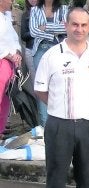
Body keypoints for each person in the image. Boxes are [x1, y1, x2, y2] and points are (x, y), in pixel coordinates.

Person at [34, 7, 89, 187]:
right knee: (56, 180)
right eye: (74, 24)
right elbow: (40, 90)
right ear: (65, 25)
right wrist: (60, 105)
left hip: (88, 125)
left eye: (83, 25)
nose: (79, 29)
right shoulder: (51, 56)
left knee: (86, 179)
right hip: (59, 126)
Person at [29, 0, 69, 126]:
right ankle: (45, 125)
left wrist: (45, 27)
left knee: (60, 85)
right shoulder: (35, 10)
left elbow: (66, 28)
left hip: (59, 49)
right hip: (40, 50)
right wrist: (53, 33)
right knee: (42, 86)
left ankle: (61, 122)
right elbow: (33, 31)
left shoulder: (64, 9)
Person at [0, 0, 22, 138]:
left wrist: (17, 54)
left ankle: (0, 130)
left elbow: (14, 39)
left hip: (10, 63)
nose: (12, 2)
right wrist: (8, 55)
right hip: (2, 60)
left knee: (5, 99)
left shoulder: (6, 16)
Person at [21, 0, 38, 85]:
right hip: (31, 51)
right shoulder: (25, 15)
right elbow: (23, 36)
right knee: (35, 82)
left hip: (48, 50)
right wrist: (36, 31)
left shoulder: (49, 12)